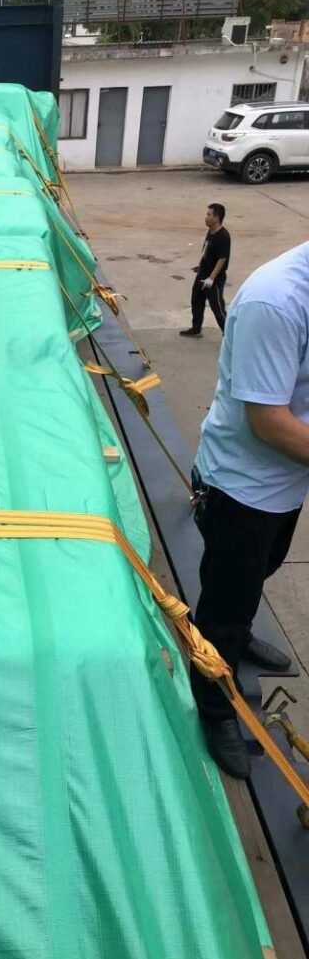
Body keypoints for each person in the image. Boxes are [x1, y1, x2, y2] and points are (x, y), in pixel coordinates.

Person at [190, 241, 309, 779]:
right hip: (243, 489)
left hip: (286, 483)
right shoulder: (276, 301)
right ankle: (215, 711)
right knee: (221, 606)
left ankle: (238, 632)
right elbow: (269, 423)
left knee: (262, 570)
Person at [180, 203, 230, 337]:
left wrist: (212, 278)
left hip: (213, 279)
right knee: (196, 300)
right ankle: (196, 328)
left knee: (217, 308)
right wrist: (200, 266)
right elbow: (206, 251)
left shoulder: (223, 236)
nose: (205, 217)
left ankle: (230, 334)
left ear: (217, 218)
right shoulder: (211, 231)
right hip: (202, 273)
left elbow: (222, 259)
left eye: (209, 215)